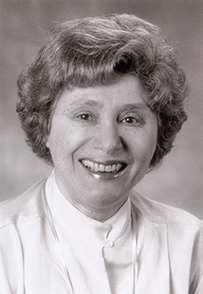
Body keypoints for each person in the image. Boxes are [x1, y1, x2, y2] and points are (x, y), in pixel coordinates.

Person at [0, 13, 202, 294]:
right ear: (44, 125)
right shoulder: (5, 244)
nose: (109, 144)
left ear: (160, 131)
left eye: (130, 119)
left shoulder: (193, 245)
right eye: (85, 115)